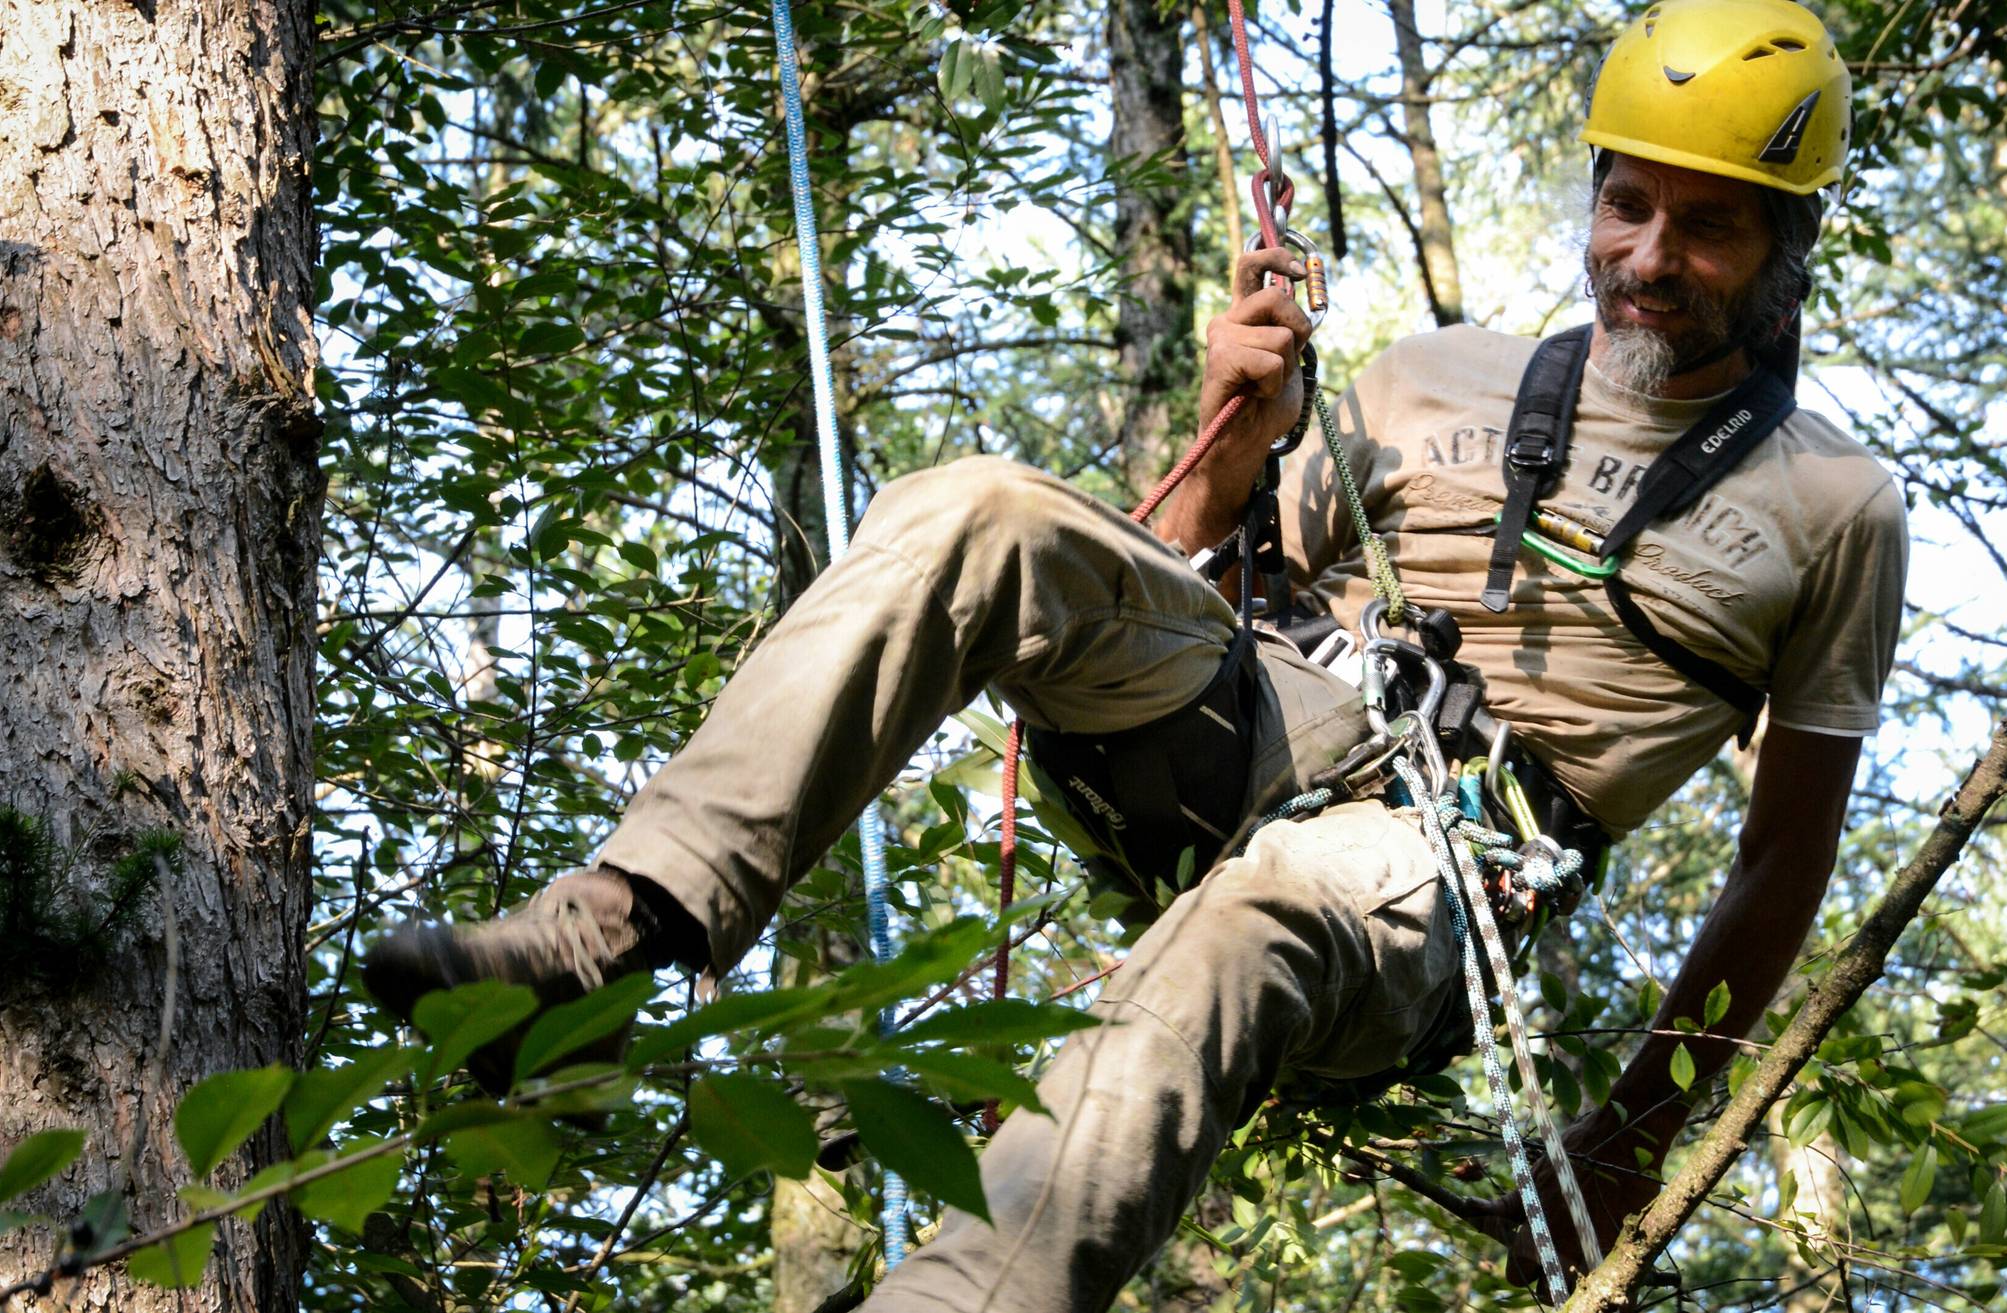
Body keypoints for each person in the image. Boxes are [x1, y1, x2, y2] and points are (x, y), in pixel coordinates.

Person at [365, 0, 1905, 1305]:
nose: (1648, 253)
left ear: (1783, 246)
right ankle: (612, 938)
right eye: (1627, 203)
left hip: (1451, 879)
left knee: (1274, 904)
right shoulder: (1441, 375)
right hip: (1267, 717)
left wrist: (1624, 1137)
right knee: (976, 511)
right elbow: (1191, 584)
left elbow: (1783, 862)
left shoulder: (1832, 504)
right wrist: (1233, 425)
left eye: (1707, 225)